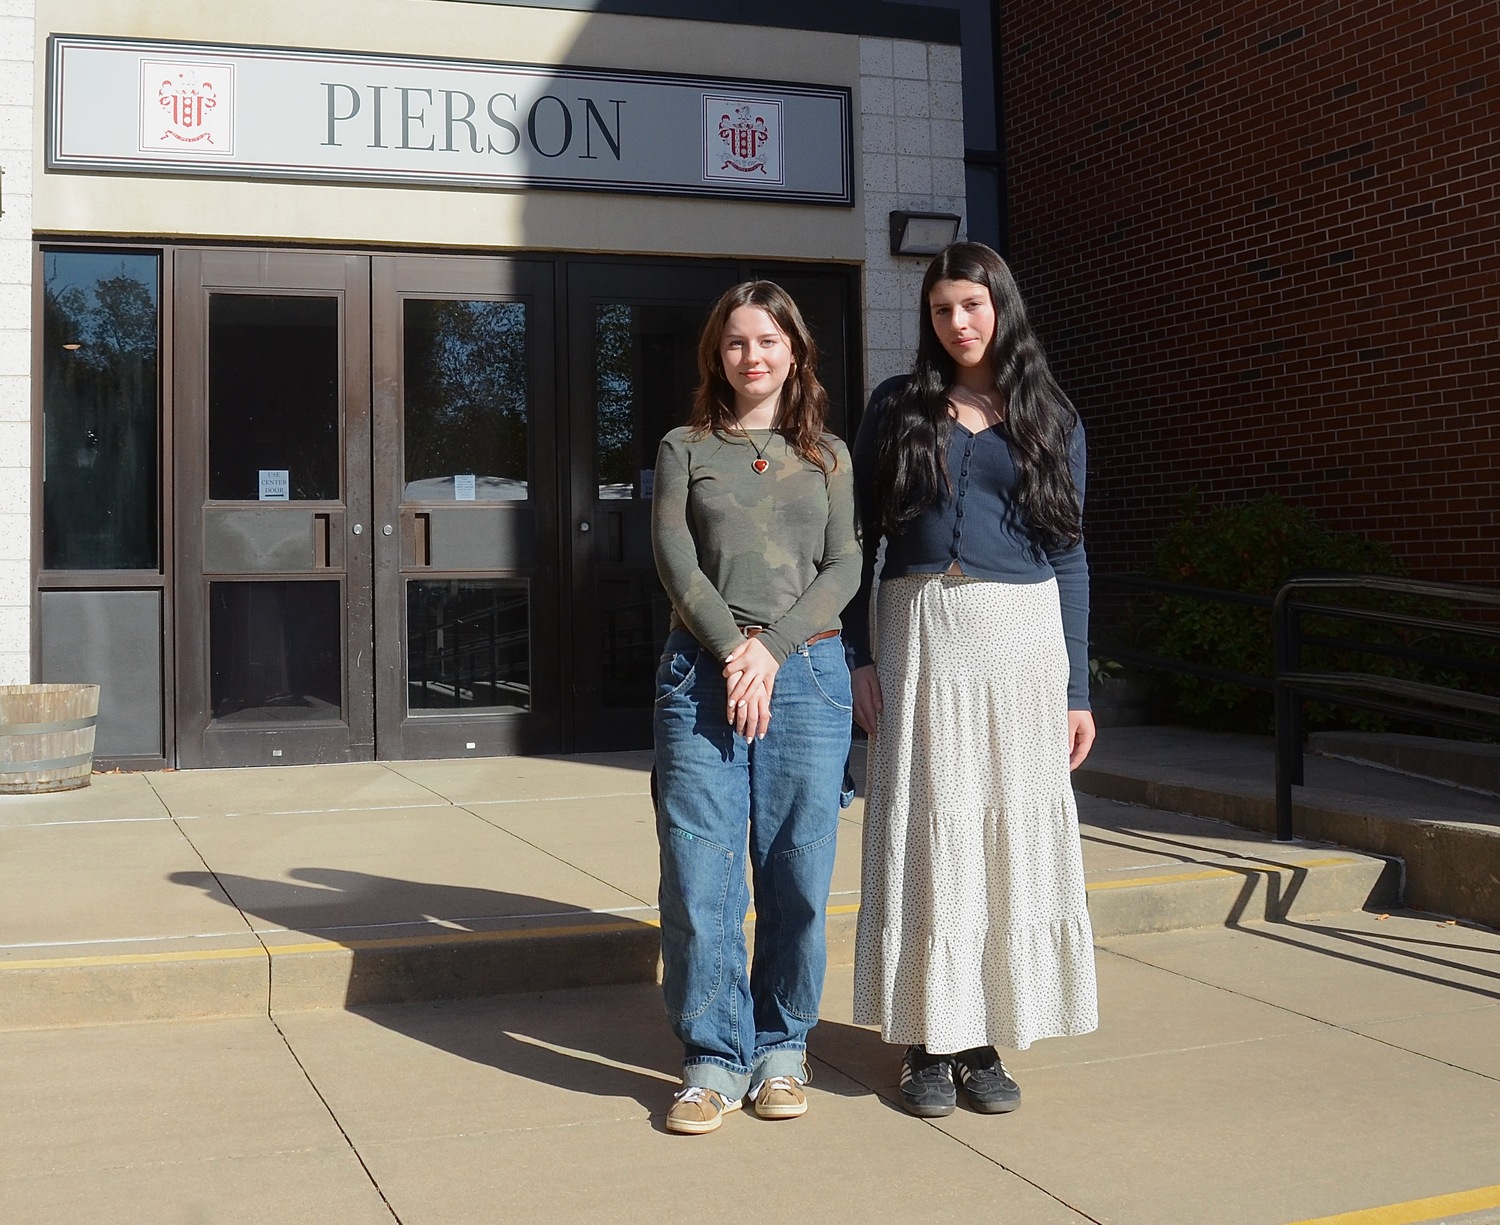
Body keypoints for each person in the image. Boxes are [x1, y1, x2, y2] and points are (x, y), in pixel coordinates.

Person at [846, 241, 1098, 1119]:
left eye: (974, 305)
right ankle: (925, 1038)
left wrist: (1077, 691)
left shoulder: (1049, 413)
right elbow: (859, 545)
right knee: (930, 831)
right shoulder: (897, 406)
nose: (958, 322)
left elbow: (1069, 555)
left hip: (1021, 642)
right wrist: (859, 655)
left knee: (999, 838)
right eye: (943, 308)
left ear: (1003, 309)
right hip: (919, 633)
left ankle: (985, 1035)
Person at [651, 280, 860, 1135]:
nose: (752, 356)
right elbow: (672, 552)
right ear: (717, 355)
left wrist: (768, 650)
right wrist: (733, 648)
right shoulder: (685, 445)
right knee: (701, 872)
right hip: (699, 677)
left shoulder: (830, 457)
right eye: (736, 342)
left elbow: (846, 566)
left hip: (806, 677)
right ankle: (711, 1057)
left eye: (768, 341)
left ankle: (780, 1049)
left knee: (797, 872)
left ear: (796, 352)